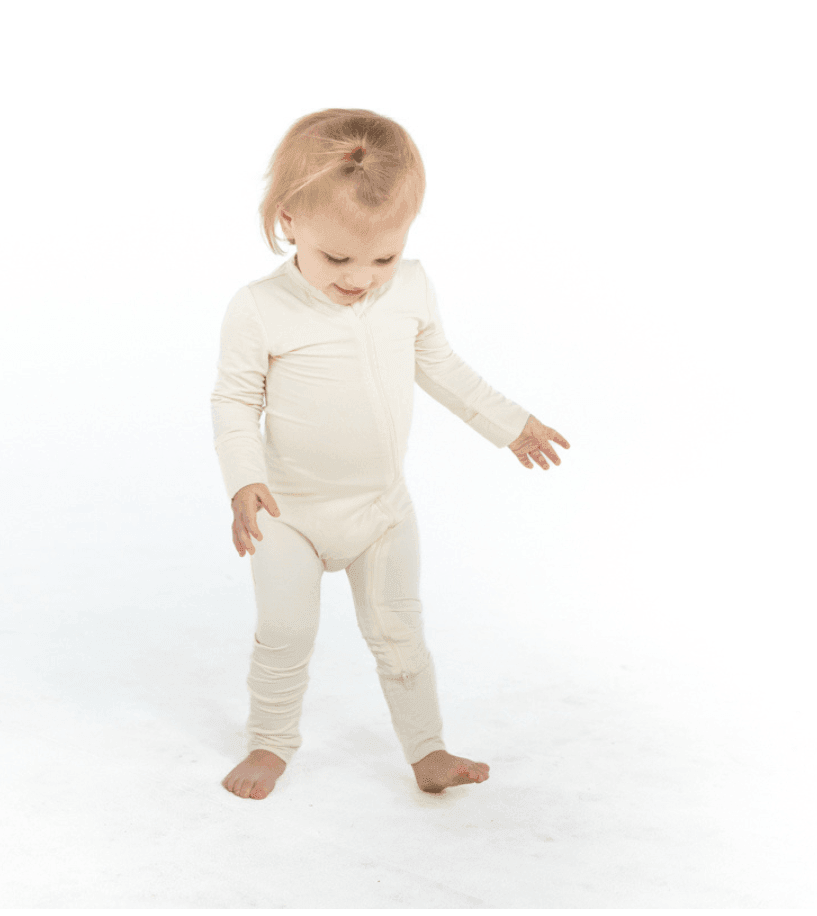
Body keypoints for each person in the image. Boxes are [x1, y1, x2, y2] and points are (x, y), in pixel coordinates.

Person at [211, 108, 569, 799]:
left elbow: (442, 367)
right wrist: (243, 480)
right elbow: (233, 400)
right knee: (284, 632)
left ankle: (427, 751)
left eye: (384, 257)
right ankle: (269, 743)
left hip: (381, 511)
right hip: (289, 513)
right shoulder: (259, 308)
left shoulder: (412, 288)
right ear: (289, 221)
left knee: (401, 635)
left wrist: (511, 424)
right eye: (337, 259)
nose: (361, 278)